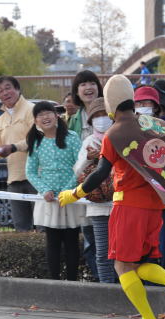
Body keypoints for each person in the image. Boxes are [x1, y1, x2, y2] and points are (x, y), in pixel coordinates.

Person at [59, 74, 165, 319]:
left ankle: (151, 317)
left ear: (109, 105)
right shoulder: (152, 124)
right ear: (132, 100)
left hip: (128, 205)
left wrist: (74, 193)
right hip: (155, 206)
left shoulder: (113, 134)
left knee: (121, 266)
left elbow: (99, 173)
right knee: (140, 263)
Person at [26, 101, 86, 280]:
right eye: (40, 115)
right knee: (52, 243)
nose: (45, 117)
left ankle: (72, 282)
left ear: (56, 115)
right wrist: (44, 190)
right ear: (36, 121)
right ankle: (53, 283)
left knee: (72, 242)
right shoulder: (36, 142)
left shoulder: (72, 137)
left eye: (48, 113)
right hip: (49, 200)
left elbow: (81, 165)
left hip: (71, 198)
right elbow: (30, 171)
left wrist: (67, 191)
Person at [134, 85, 165, 276]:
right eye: (139, 103)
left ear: (155, 106)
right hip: (137, 197)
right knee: (140, 246)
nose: (143, 106)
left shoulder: (164, 128)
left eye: (147, 103)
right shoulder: (127, 130)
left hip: (164, 197)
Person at [73, 97, 117, 283]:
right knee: (102, 250)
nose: (101, 119)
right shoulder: (88, 141)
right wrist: (89, 158)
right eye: (96, 115)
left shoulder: (120, 137)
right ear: (90, 121)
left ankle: (124, 287)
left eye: (104, 114)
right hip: (97, 204)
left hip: (120, 203)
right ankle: (107, 288)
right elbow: (77, 171)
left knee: (121, 251)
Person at [68, 69, 104, 281]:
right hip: (82, 183)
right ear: (76, 90)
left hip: (108, 185)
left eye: (91, 83)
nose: (88, 87)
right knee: (90, 238)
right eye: (83, 84)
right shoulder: (72, 119)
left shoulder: (109, 113)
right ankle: (99, 280)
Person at [0, 76, 36, 232]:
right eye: (0, 91)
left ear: (17, 89)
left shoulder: (32, 110)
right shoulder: (0, 120)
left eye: (8, 88)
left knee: (44, 226)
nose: (5, 93)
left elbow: (37, 139)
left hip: (37, 177)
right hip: (14, 180)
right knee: (21, 228)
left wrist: (13, 147)